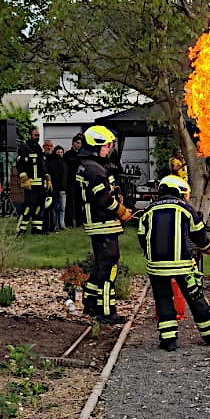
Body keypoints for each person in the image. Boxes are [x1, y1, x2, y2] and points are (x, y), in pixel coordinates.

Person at [136, 175, 210, 351]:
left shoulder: (149, 210)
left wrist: (150, 255)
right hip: (183, 266)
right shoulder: (185, 209)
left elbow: (142, 237)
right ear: (179, 192)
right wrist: (208, 247)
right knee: (195, 298)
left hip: (157, 267)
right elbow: (198, 234)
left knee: (163, 301)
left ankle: (169, 341)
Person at [76, 125, 133, 323]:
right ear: (96, 145)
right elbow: (103, 199)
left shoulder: (87, 165)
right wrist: (122, 211)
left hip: (97, 222)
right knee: (110, 266)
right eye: (107, 145)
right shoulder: (95, 170)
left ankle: (90, 303)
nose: (109, 149)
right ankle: (107, 311)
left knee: (101, 265)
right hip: (103, 222)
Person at [15, 126, 52, 235]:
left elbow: (42, 165)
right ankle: (21, 229)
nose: (37, 137)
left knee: (40, 206)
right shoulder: (24, 148)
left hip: (41, 184)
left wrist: (47, 178)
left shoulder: (38, 148)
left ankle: (37, 230)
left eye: (38, 135)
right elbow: (20, 165)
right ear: (29, 135)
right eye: (35, 135)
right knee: (29, 207)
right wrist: (24, 179)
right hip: (30, 184)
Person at [45, 143, 70, 232]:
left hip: (63, 189)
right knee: (55, 207)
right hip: (55, 188)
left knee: (62, 207)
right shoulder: (51, 162)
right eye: (58, 152)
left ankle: (62, 224)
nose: (60, 153)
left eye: (61, 152)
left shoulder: (65, 163)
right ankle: (54, 225)